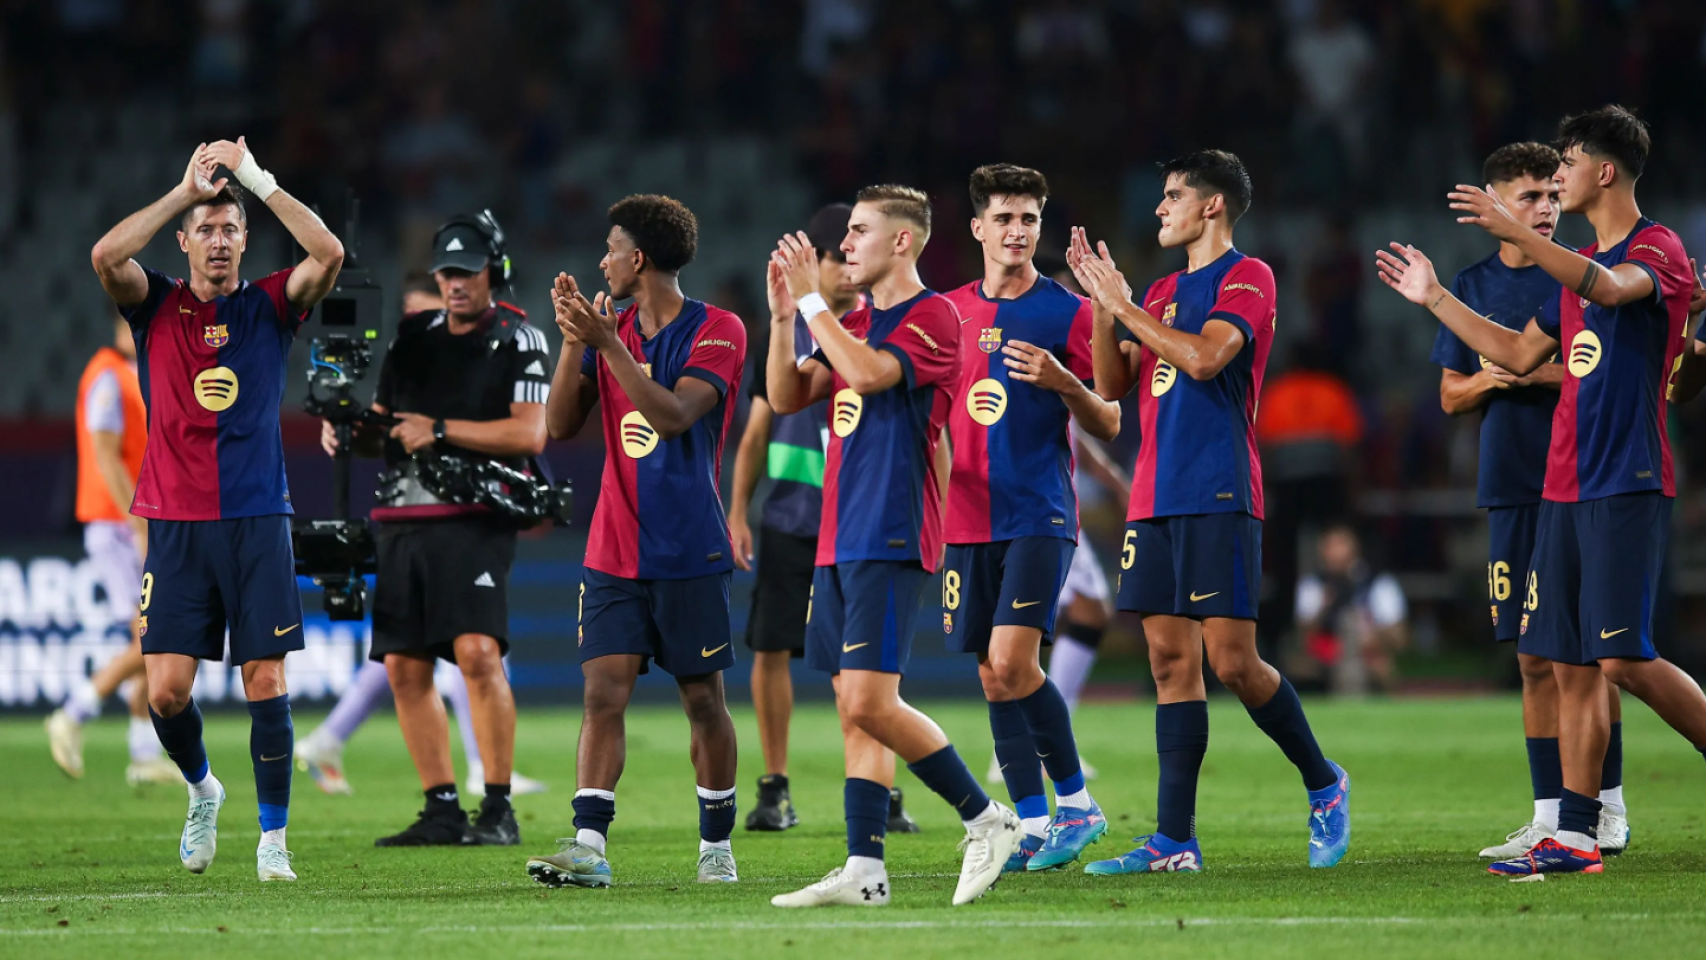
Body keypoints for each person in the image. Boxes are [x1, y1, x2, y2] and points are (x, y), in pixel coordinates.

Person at [1378, 105, 1706, 876]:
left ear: (1605, 170)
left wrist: (1522, 234)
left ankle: (1592, 820)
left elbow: (1611, 286)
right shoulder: (1572, 270)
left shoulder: (1654, 249)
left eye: (1569, 158)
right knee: (1569, 664)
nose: (1558, 174)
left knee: (1623, 659)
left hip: (1625, 477)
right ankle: (1576, 834)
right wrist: (1434, 298)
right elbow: (1515, 355)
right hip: (1561, 485)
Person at [1073, 149, 1351, 876]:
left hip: (1219, 489)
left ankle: (1324, 783)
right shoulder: (1161, 288)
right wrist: (1107, 309)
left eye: (1172, 196)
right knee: (1169, 661)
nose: (1160, 209)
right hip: (1153, 495)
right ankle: (1174, 841)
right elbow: (1110, 383)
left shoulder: (1247, 277)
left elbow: (1203, 360)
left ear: (1212, 206)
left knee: (1232, 662)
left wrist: (1127, 306)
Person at [88, 137, 345, 881]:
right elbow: (106, 256)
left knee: (264, 679)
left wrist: (258, 180)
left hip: (258, 519)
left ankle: (273, 839)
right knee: (166, 692)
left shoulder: (269, 306)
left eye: (231, 228)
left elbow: (326, 253)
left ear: (245, 238)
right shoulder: (156, 306)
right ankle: (203, 790)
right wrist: (182, 190)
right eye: (206, 228)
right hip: (173, 525)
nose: (221, 240)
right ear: (185, 240)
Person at [765, 184, 1022, 909]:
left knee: (874, 702)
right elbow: (786, 395)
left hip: (890, 528)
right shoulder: (862, 320)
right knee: (853, 703)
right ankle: (865, 868)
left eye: (858, 232)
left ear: (902, 241)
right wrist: (787, 316)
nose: (845, 245)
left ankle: (985, 817)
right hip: (838, 537)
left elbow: (873, 375)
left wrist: (816, 305)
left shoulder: (931, 315)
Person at [531, 195, 747, 888]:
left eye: (611, 247)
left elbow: (677, 414)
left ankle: (716, 846)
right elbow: (560, 425)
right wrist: (573, 344)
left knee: (703, 700)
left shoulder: (720, 329)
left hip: (689, 549)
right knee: (602, 694)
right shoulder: (608, 330)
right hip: (614, 550)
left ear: (639, 259)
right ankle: (589, 844)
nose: (602, 261)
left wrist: (607, 346)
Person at [1428, 141, 1630, 859]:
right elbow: (1453, 393)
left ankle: (1606, 805)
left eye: (1552, 194)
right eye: (1529, 198)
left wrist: (1522, 368)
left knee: (1589, 654)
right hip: (1511, 484)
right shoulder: (1470, 284)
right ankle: (1549, 812)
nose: (1545, 209)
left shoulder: (1582, 275)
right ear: (1492, 206)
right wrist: (1493, 379)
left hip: (1580, 481)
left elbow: (1594, 372)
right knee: (1530, 657)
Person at [321, 211, 547, 847]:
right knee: (404, 666)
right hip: (401, 517)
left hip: (474, 516)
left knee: (477, 652)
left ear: (493, 273)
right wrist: (350, 429)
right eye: (447, 273)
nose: (455, 285)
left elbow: (530, 433)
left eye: (467, 273)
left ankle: (497, 807)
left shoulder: (520, 338)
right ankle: (441, 807)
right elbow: (390, 429)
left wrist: (440, 430)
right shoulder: (411, 338)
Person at [939, 163, 1120, 873]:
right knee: (992, 675)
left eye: (1030, 219)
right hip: (964, 519)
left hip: (1038, 513)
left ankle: (1076, 803)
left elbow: (1106, 417)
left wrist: (1062, 379)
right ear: (978, 228)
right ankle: (1032, 823)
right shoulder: (948, 312)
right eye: (1005, 218)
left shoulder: (1068, 312)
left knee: (1016, 661)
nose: (1018, 231)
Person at [727, 202, 918, 834]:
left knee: (859, 668)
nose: (842, 263)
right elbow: (763, 424)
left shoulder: (885, 326)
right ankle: (775, 784)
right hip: (792, 515)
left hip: (860, 520)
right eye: (835, 252)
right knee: (774, 646)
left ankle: (878, 789)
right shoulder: (796, 336)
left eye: (850, 246)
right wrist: (738, 511)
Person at [45, 307, 177, 786]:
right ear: (120, 325)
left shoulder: (134, 373)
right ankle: (74, 711)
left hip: (138, 518)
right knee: (152, 633)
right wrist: (135, 521)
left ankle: (143, 753)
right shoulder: (105, 375)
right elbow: (103, 452)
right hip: (116, 521)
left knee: (150, 629)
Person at [1294, 522, 1408, 694]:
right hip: (1325, 653)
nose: (1334, 552)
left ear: (1355, 548)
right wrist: (1325, 607)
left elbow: (1400, 637)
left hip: (1366, 652)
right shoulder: (1313, 586)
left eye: (1340, 545)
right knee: (1296, 668)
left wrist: (1375, 637)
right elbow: (1302, 636)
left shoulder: (1378, 584)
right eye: (1329, 546)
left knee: (1383, 667)